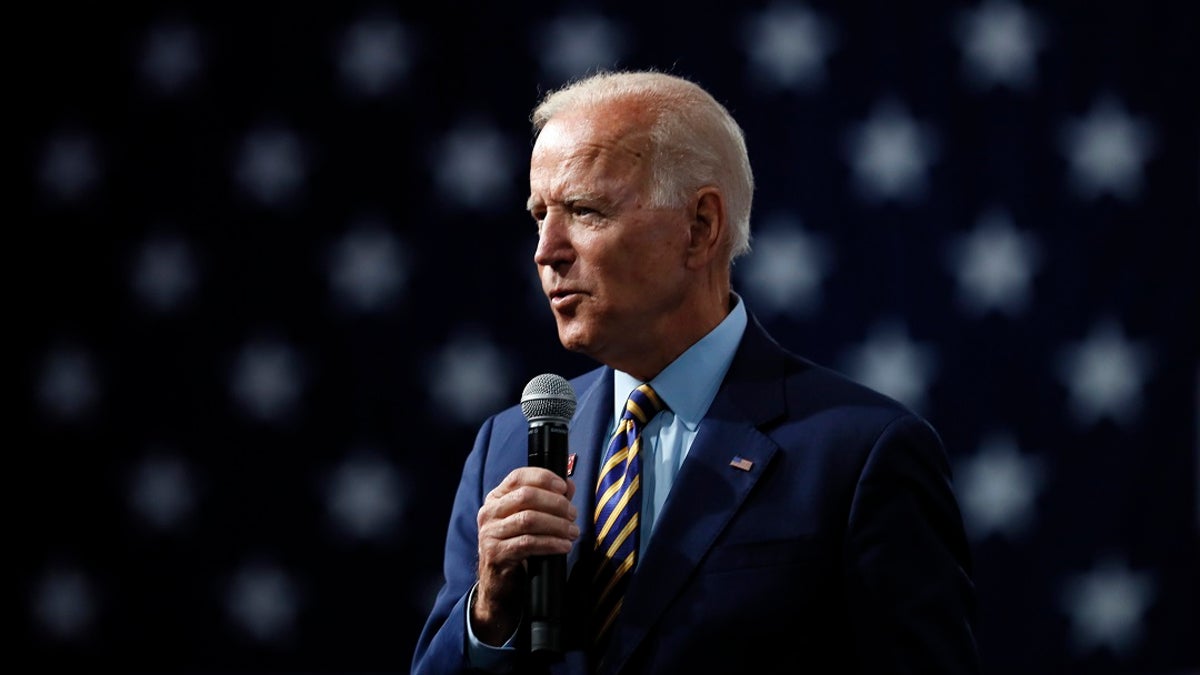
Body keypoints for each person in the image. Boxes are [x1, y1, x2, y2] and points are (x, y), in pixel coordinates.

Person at [412, 70, 979, 674]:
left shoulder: (862, 454)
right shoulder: (505, 446)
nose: (546, 250)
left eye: (583, 210)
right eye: (539, 215)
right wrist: (490, 615)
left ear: (700, 226)